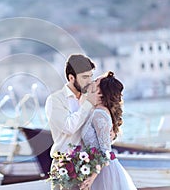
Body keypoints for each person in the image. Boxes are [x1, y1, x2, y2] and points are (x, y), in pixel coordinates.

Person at [45, 53, 102, 190]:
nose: (89, 81)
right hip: (64, 167)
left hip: (88, 167)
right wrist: (88, 104)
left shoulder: (90, 98)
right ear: (71, 78)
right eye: (84, 77)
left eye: (90, 76)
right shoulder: (55, 100)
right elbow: (69, 127)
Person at [81, 71, 136, 190]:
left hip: (102, 172)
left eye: (96, 82)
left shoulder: (99, 113)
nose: (93, 83)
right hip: (98, 168)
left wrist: (92, 177)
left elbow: (105, 152)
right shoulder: (96, 110)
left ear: (101, 92)